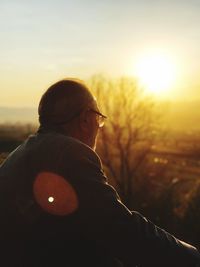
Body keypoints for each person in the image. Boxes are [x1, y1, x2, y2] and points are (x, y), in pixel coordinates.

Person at [0, 78, 199, 267]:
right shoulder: (70, 152)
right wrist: (191, 256)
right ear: (86, 119)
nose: (99, 127)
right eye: (99, 118)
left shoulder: (19, 155)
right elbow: (122, 230)